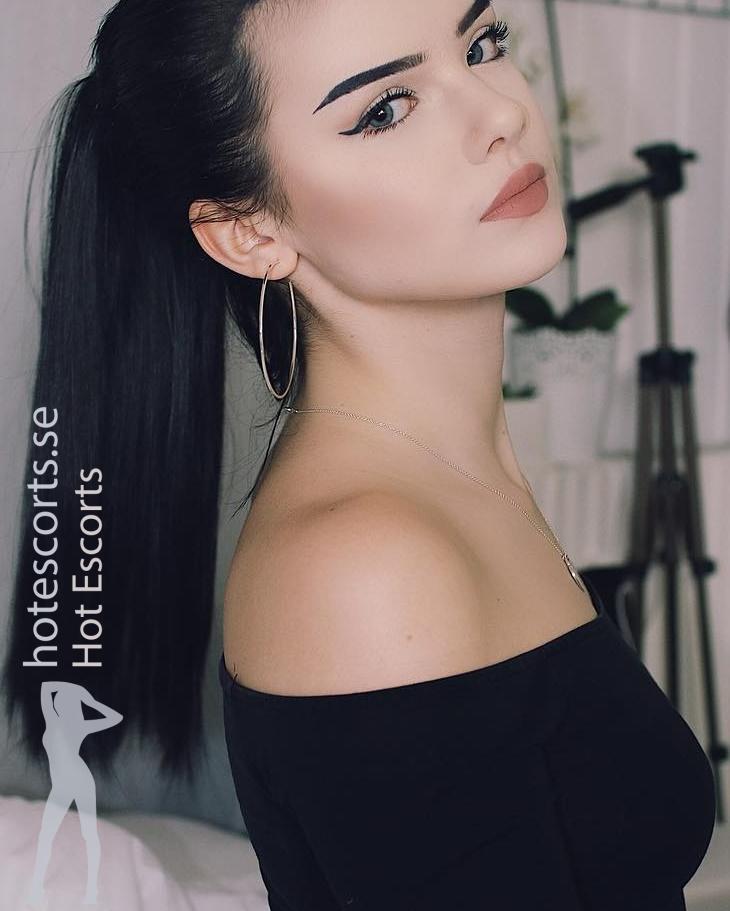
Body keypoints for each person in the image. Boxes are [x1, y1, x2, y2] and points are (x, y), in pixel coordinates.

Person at [7, 0, 715, 907]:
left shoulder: (452, 481)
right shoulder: (363, 565)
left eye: (482, 44)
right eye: (386, 108)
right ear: (250, 232)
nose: (502, 112)